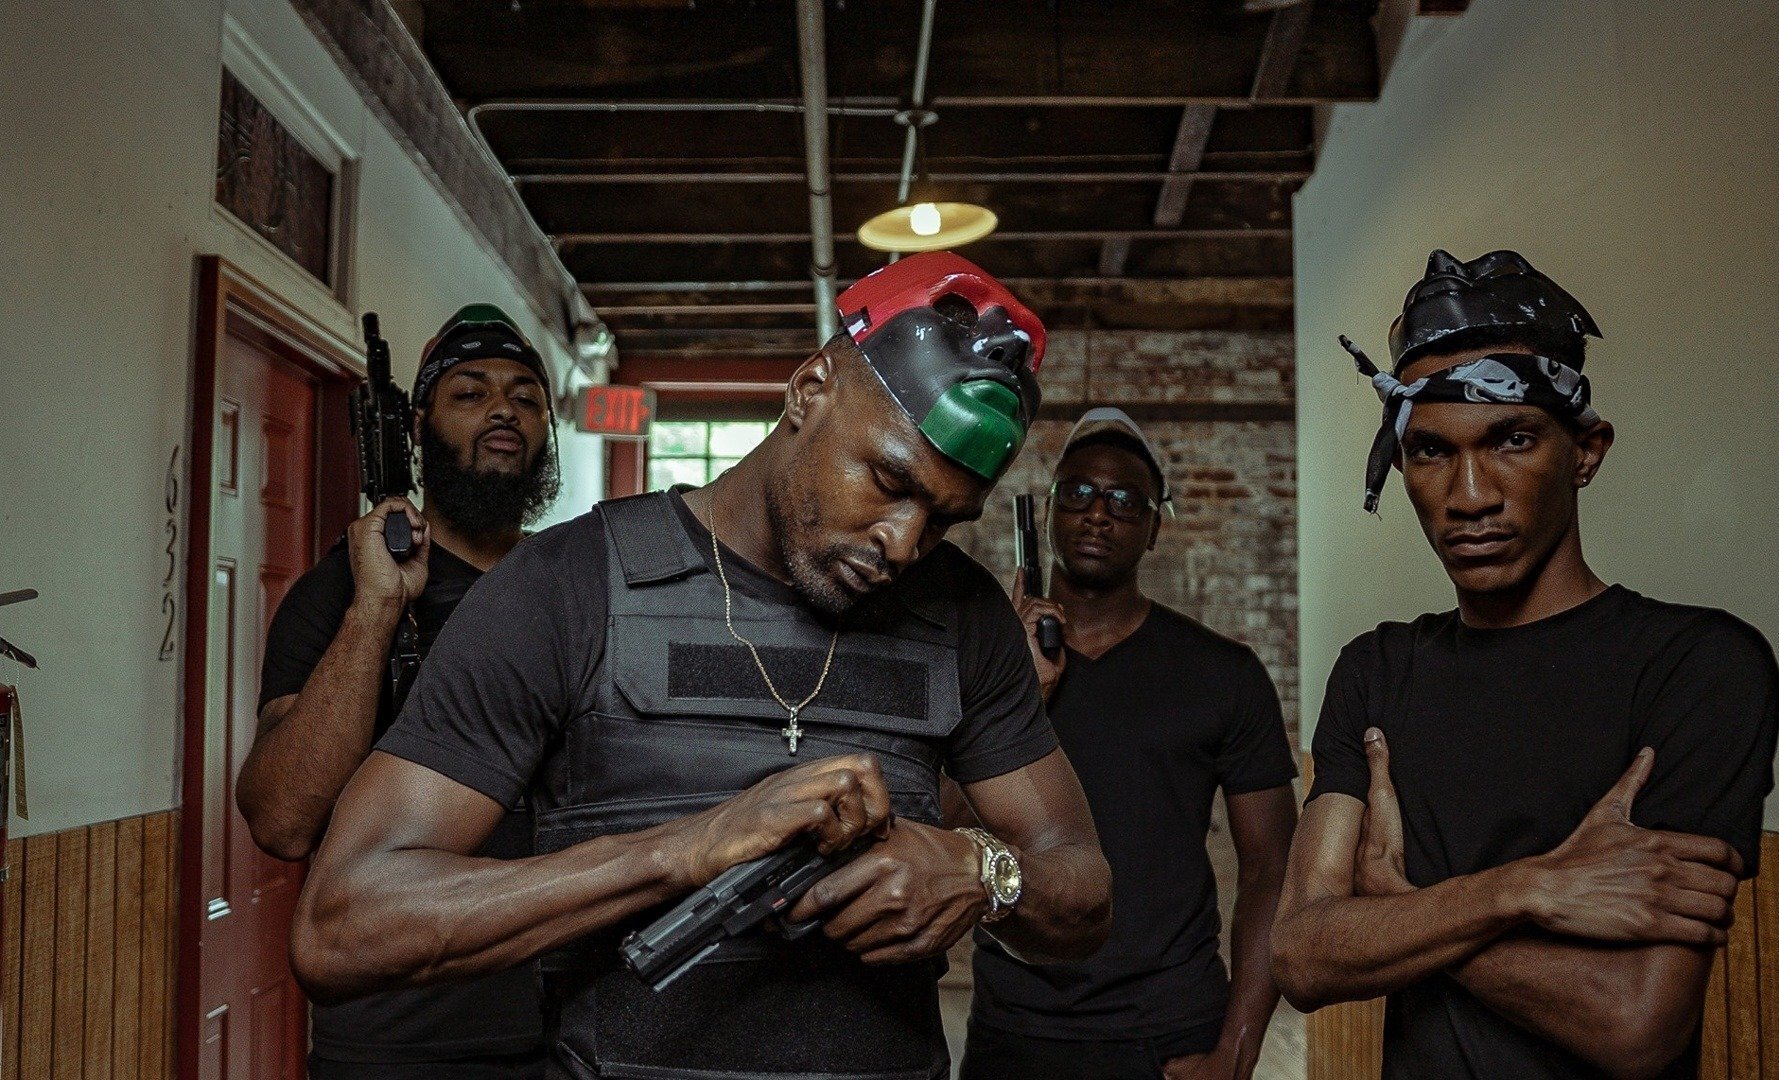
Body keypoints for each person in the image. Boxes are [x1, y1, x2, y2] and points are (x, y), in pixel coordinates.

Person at [288, 252, 1113, 1080]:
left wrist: (983, 871)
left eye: (943, 518)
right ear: (810, 389)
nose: (902, 543)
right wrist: (684, 850)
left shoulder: (963, 615)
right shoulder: (567, 586)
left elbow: (1082, 892)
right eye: (889, 478)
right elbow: (341, 926)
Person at [1271, 249, 1779, 1080]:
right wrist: (1527, 889)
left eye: (1511, 440)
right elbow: (1301, 954)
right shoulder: (1377, 671)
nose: (1470, 495)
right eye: (1430, 451)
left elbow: (1634, 1025)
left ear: (1586, 450)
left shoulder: (1699, 667)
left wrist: (1401, 909)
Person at [237, 304, 561, 1078]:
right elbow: (282, 820)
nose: (503, 409)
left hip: (571, 1031)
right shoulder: (343, 591)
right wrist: (378, 608)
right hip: (396, 1040)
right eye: (471, 392)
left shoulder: (573, 584)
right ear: (418, 426)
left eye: (525, 396)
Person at [959, 408, 1299, 1080]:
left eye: (1124, 500)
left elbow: (1272, 867)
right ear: (1048, 512)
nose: (1097, 513)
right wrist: (1019, 693)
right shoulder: (990, 669)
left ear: (1154, 529)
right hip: (1012, 1029)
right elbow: (936, 819)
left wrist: (1236, 1051)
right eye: (1078, 492)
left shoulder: (1224, 675)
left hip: (1170, 1032)